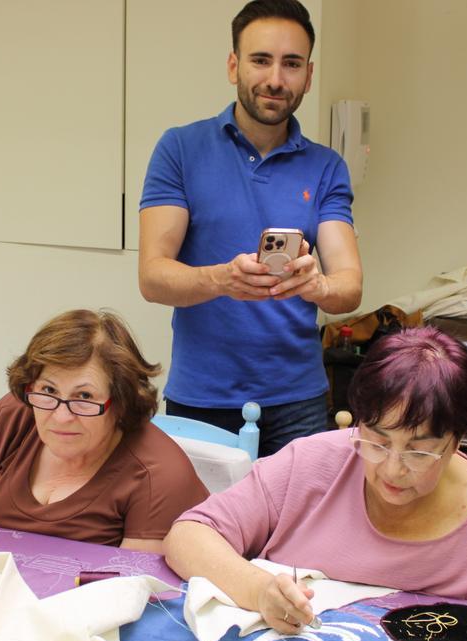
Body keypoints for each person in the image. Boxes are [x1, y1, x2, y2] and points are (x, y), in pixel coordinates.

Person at [163, 326, 467, 634]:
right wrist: (258, 591)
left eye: (418, 452)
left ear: (456, 443)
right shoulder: (312, 463)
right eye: (377, 442)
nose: (391, 469)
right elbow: (188, 535)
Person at [138, 0, 363, 458]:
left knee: (293, 530)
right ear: (233, 65)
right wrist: (221, 279)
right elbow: (152, 277)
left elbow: (349, 286)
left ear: (309, 75)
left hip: (297, 399)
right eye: (261, 60)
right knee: (196, 529)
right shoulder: (180, 148)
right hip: (200, 396)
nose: (276, 79)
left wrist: (317, 285)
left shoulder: (327, 167)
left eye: (292, 64)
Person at [0, 309, 209, 553]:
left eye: (84, 397)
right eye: (48, 389)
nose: (60, 415)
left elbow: (134, 590)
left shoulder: (158, 475)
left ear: (122, 402)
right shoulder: (21, 412)